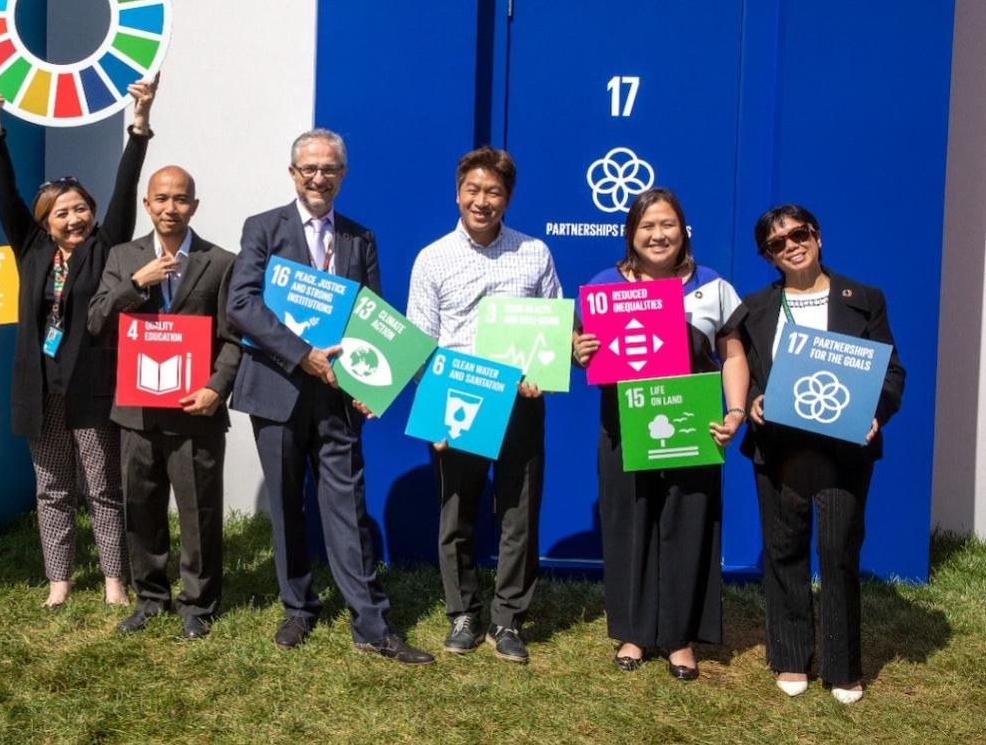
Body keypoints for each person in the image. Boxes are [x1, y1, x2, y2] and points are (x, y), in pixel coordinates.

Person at [227, 128, 434, 665]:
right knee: (287, 505)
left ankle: (371, 624)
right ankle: (298, 607)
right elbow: (241, 304)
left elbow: (373, 316)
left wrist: (376, 383)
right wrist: (303, 355)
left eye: (330, 169)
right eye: (309, 169)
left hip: (339, 396)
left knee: (347, 506)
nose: (319, 178)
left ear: (343, 175)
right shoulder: (263, 228)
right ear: (293, 173)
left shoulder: (359, 238)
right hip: (277, 390)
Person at [0, 75, 159, 609]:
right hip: (39, 390)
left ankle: (113, 581)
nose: (75, 218)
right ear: (45, 222)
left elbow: (127, 186)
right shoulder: (29, 248)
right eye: (63, 211)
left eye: (81, 208)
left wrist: (139, 125)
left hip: (92, 389)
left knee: (102, 489)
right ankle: (59, 581)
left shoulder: (106, 247)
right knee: (52, 488)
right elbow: (3, 188)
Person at [725, 205, 904, 704]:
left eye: (799, 234)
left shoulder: (863, 299)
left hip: (844, 447)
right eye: (778, 243)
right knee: (783, 548)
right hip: (779, 445)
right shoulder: (756, 307)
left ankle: (844, 666)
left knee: (838, 551)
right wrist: (755, 398)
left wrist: (876, 411)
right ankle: (789, 655)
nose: (791, 246)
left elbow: (891, 373)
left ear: (818, 237)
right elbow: (747, 369)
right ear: (768, 255)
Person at [572, 188, 748, 681]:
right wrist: (577, 349)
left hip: (691, 425)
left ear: (683, 230)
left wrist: (734, 412)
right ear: (631, 234)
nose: (658, 235)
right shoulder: (604, 285)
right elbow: (577, 346)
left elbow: (732, 353)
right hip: (624, 426)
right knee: (629, 523)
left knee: (687, 525)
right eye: (647, 226)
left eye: (667, 224)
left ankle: (680, 638)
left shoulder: (712, 286)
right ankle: (631, 631)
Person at [407, 146, 561, 662]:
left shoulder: (534, 253)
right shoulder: (432, 258)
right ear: (457, 194)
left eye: (493, 191)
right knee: (457, 513)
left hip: (519, 403)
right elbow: (420, 345)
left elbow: (552, 331)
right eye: (472, 190)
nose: (481, 200)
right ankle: (463, 612)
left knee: (519, 512)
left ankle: (508, 619)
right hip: (458, 402)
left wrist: (541, 373)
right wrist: (432, 413)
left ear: (508, 198)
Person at [87, 165, 241, 640]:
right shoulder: (122, 256)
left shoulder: (221, 261)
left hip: (197, 411)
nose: (170, 208)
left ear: (194, 205)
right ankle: (151, 598)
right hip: (137, 410)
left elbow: (234, 338)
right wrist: (137, 282)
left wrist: (218, 386)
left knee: (200, 512)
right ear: (147, 204)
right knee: (143, 508)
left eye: (180, 199)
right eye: (161, 199)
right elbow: (96, 320)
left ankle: (199, 604)